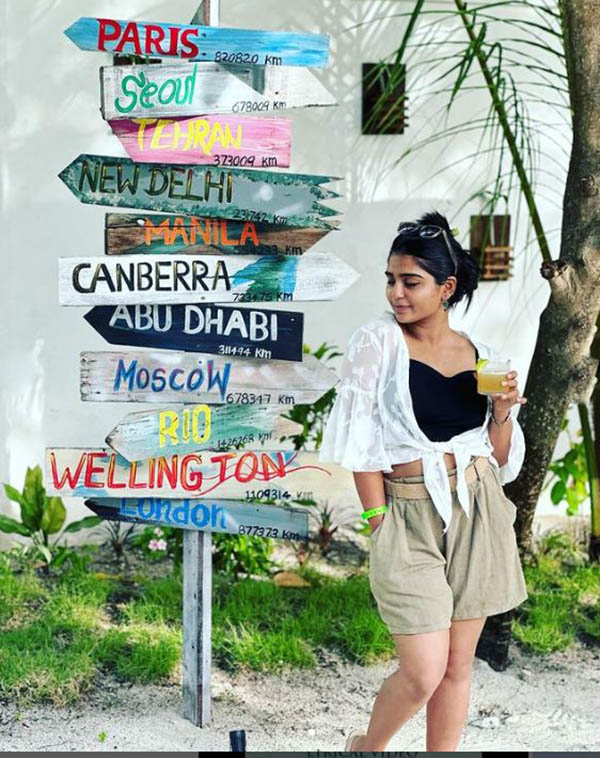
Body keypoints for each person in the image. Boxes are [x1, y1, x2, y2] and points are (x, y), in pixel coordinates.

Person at [317, 210, 529, 752]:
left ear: (446, 287)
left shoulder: (478, 354)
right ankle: (366, 749)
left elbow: (499, 457)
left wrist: (502, 411)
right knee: (422, 671)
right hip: (407, 513)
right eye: (391, 280)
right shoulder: (378, 343)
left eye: (410, 282)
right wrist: (377, 520)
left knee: (457, 667)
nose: (396, 293)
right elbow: (360, 442)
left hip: (476, 508)